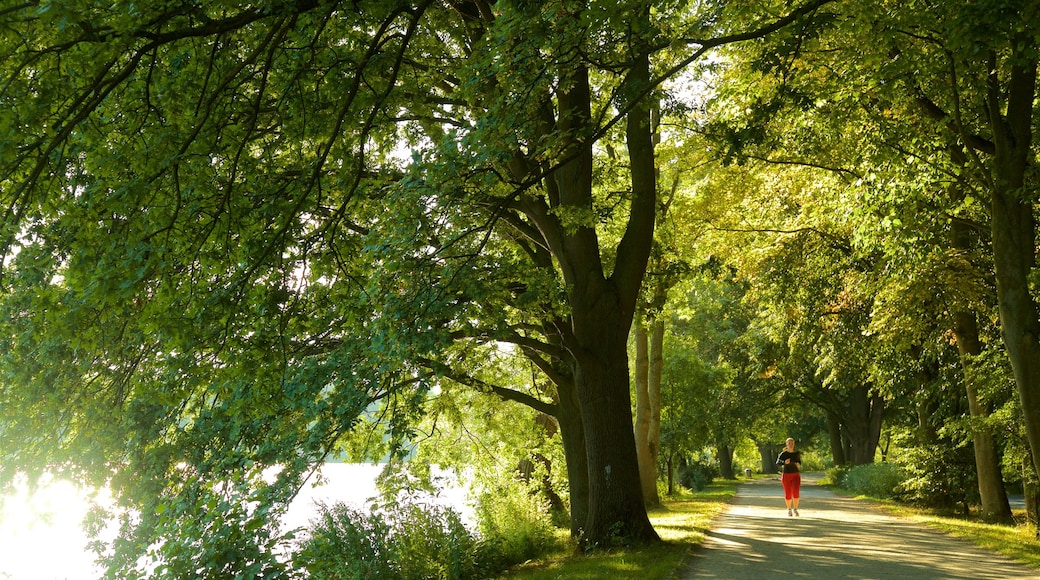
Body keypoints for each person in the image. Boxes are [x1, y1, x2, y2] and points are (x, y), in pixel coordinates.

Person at [776, 437, 801, 516]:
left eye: (792, 443)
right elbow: (778, 462)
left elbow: (799, 462)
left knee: (796, 492)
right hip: (786, 475)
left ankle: (796, 509)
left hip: (795, 475)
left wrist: (798, 464)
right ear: (786, 444)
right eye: (789, 443)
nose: (791, 445)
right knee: (788, 493)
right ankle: (789, 509)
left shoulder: (797, 453)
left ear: (794, 444)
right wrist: (784, 462)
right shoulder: (784, 454)